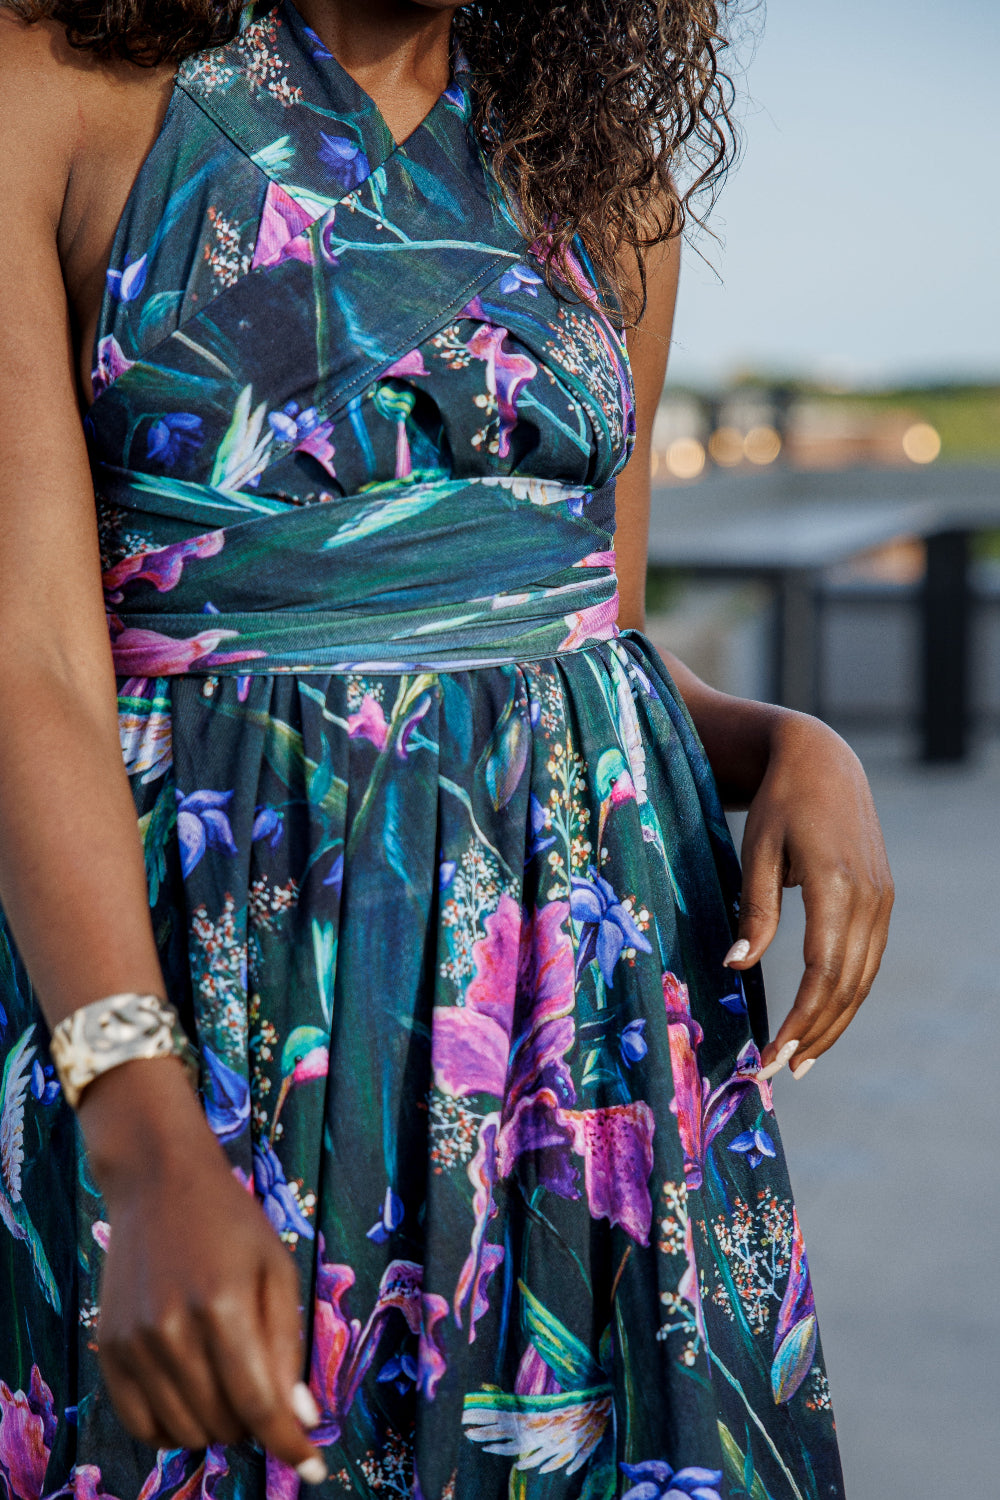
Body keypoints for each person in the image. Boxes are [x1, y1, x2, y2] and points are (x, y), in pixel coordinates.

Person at [0, 0, 892, 1495]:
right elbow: (29, 655)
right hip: (199, 988)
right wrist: (144, 1135)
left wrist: (786, 743)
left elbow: (567, 629)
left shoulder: (602, 176)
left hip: (580, 1009)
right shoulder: (58, 87)